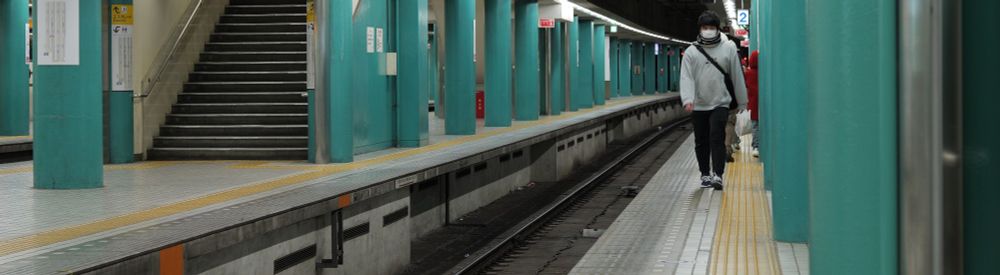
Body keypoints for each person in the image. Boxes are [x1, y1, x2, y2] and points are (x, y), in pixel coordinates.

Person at [680, 11, 749, 189]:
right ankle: (705, 174)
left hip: (721, 102)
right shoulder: (691, 51)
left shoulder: (729, 48)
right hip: (698, 104)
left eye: (711, 28)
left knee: (717, 137)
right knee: (701, 140)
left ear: (718, 29)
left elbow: (736, 75)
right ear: (700, 29)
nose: (708, 31)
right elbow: (686, 77)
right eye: (705, 28)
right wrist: (687, 98)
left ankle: (718, 174)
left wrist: (742, 101)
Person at [745, 50, 760, 157]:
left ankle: (756, 146)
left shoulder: (748, 74)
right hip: (763, 103)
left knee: (755, 126)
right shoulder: (764, 73)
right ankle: (758, 144)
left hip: (752, 103)